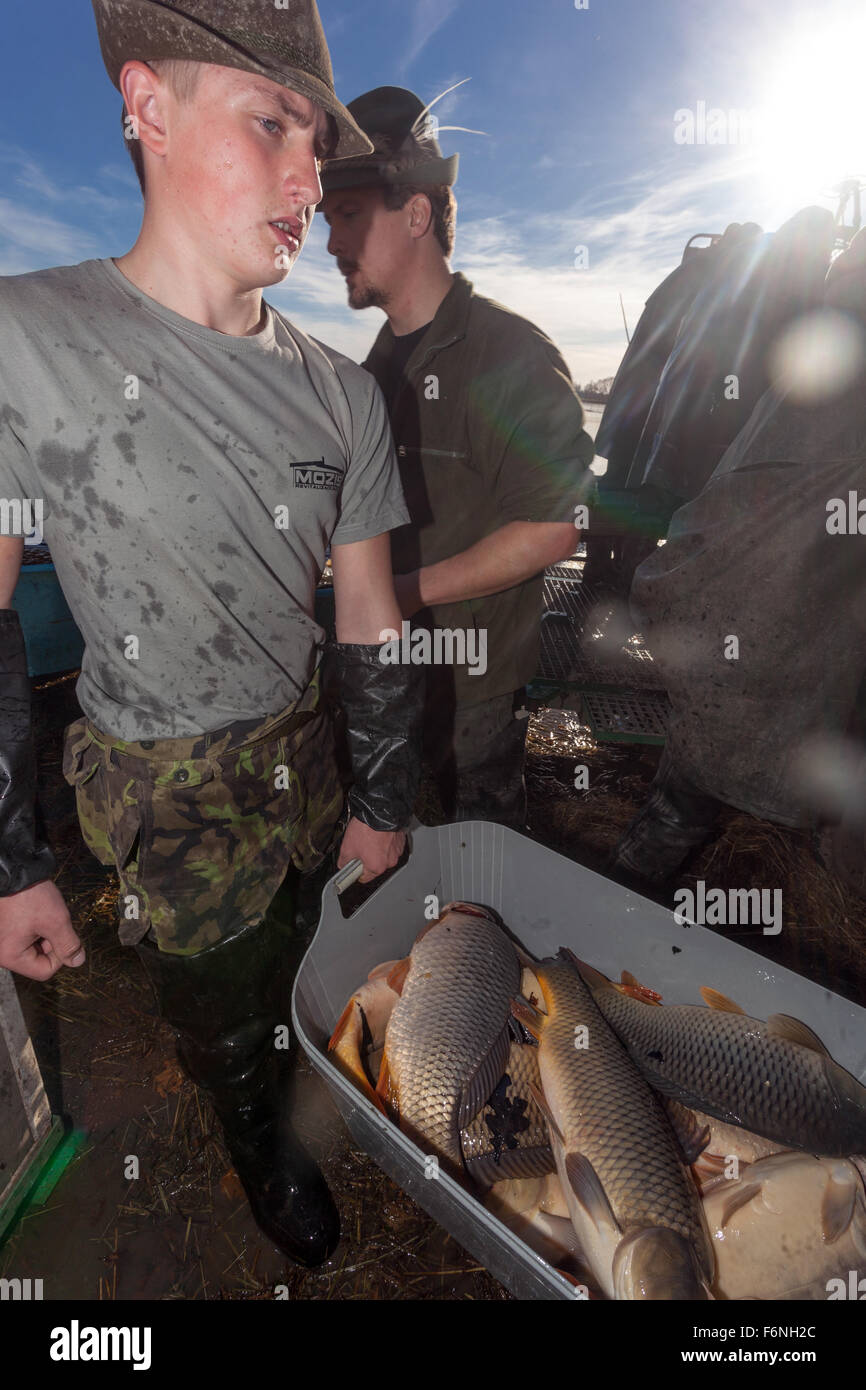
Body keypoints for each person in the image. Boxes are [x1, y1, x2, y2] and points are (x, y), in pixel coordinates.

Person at [0, 0, 425, 1268]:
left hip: (306, 751)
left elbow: (368, 613)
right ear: (147, 107)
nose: (310, 179)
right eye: (270, 124)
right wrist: (11, 853)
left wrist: (388, 789)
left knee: (302, 945)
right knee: (212, 1000)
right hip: (158, 781)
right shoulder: (25, 340)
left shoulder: (341, 392)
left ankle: (294, 1067)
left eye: (317, 146)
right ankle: (253, 1132)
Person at [321, 88, 594, 829]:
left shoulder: (509, 356)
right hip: (396, 663)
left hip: (473, 679)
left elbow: (553, 529)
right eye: (327, 219)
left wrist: (402, 591)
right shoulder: (377, 363)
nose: (330, 242)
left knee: (481, 842)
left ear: (416, 213)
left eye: (348, 216)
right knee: (406, 834)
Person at [610, 228, 866, 889]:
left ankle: (627, 895)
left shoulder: (800, 357)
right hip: (771, 631)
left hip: (747, 624)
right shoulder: (819, 372)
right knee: (703, 784)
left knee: (689, 792)